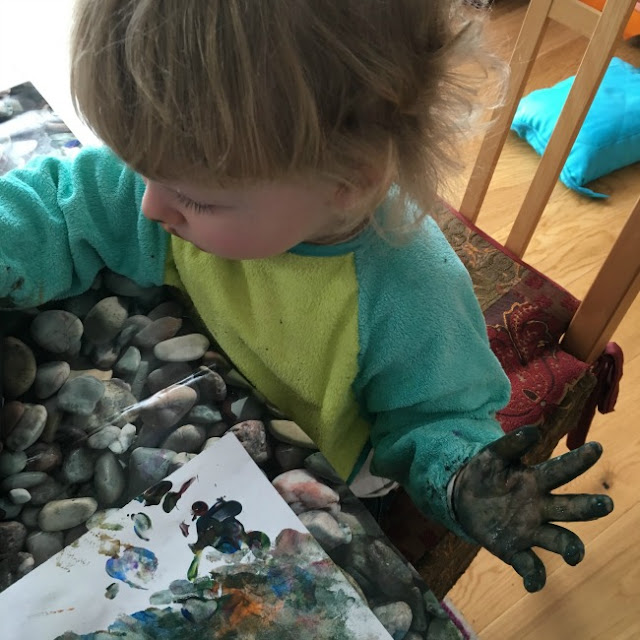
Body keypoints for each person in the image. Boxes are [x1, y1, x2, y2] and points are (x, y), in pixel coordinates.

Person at [0, 0, 612, 592]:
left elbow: (438, 420)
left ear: (348, 182)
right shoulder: (192, 172)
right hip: (199, 402)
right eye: (143, 171)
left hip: (319, 473)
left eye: (195, 199)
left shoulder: (408, 292)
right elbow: (61, 205)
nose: (150, 205)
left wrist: (461, 482)